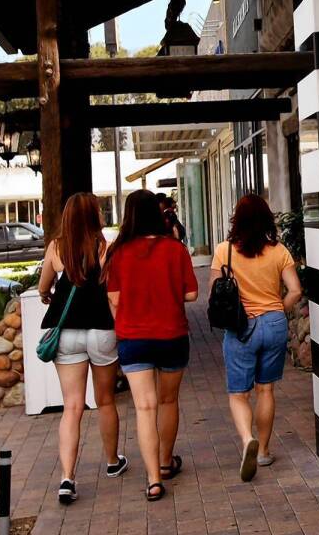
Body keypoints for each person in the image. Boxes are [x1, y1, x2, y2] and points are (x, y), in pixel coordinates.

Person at [104, 189, 198, 502]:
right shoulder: (175, 249)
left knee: (145, 407)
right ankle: (166, 462)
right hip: (172, 334)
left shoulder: (118, 252)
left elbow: (114, 300)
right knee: (169, 401)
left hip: (133, 337)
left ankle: (154, 480)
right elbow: (191, 295)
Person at [36, 192, 127, 505]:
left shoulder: (56, 247)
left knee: (71, 407)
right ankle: (113, 461)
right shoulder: (105, 247)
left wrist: (49, 295)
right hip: (102, 329)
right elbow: (113, 288)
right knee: (104, 401)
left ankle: (67, 478)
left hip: (67, 334)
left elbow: (42, 288)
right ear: (93, 215)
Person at [210, 194, 302, 482]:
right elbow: (296, 290)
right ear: (266, 219)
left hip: (241, 328)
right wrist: (277, 310)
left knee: (239, 393)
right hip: (274, 324)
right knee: (266, 390)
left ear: (236, 218)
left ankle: (247, 438)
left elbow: (215, 292)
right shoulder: (279, 251)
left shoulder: (224, 251)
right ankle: (262, 451)